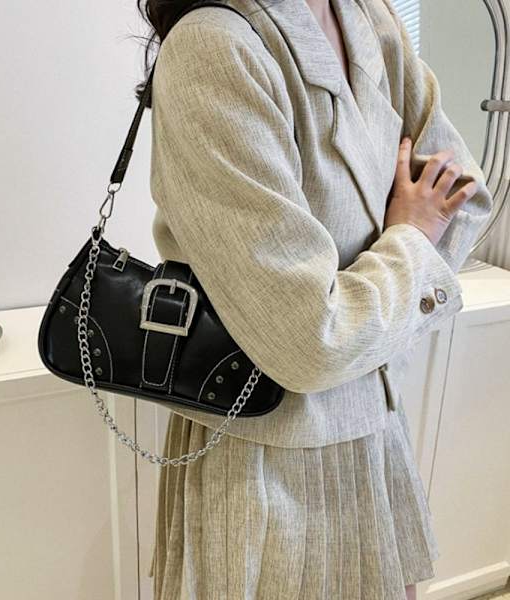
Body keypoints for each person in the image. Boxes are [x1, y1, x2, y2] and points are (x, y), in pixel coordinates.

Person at [137, 0, 494, 597]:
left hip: (374, 432)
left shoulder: (368, 19)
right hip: (265, 459)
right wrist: (410, 235)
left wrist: (371, 296)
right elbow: (309, 342)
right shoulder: (215, 46)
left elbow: (464, 199)